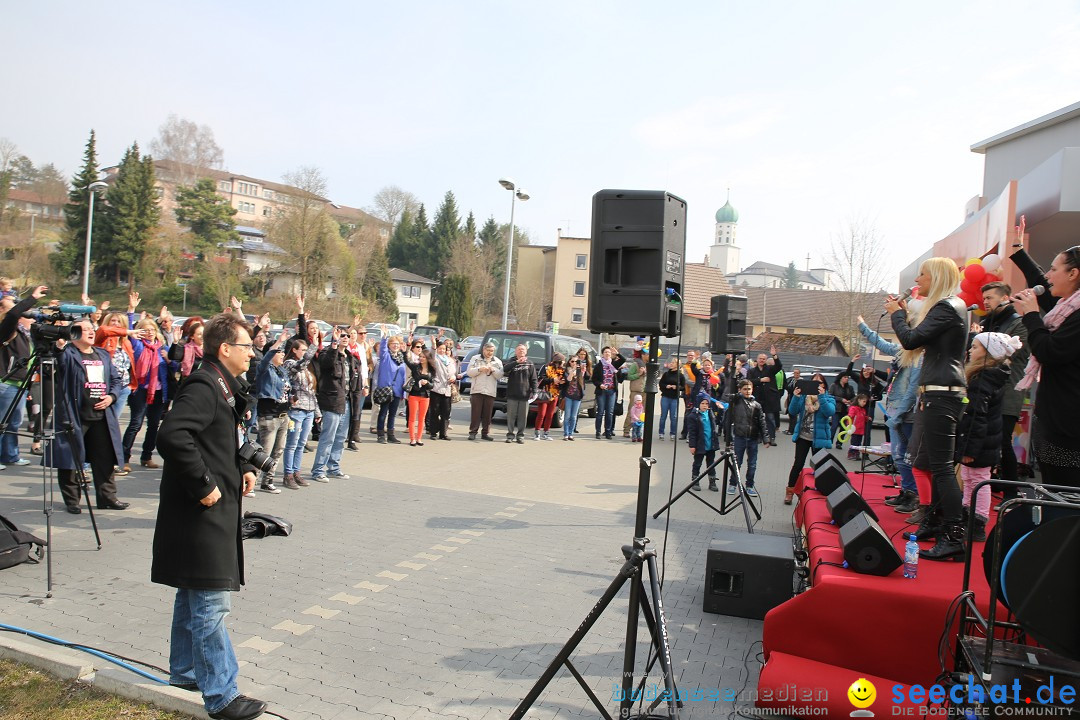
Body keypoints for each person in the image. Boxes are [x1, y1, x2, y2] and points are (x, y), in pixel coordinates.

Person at [152, 313, 267, 720]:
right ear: (225, 349)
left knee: (192, 593)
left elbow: (214, 438)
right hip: (201, 514)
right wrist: (205, 485)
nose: (253, 354)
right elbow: (173, 435)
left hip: (211, 514)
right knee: (210, 604)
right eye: (247, 347)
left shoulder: (222, 385)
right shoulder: (204, 385)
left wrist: (243, 468)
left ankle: (184, 671)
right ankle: (221, 695)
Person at [887, 256, 968, 561]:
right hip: (936, 392)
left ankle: (954, 533)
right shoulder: (951, 307)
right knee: (927, 462)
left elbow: (910, 341)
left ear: (936, 277)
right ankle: (934, 522)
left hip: (942, 393)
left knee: (942, 467)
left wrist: (897, 315)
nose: (917, 280)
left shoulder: (947, 307)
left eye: (922, 275)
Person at [1011, 245, 1080, 488]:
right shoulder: (1068, 307)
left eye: (1054, 269)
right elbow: (1043, 286)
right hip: (1054, 421)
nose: (1048, 276)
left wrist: (1031, 315)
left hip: (1068, 430)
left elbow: (1050, 351)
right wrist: (1019, 251)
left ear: (1073, 274)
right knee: (1052, 492)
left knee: (1065, 498)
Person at [54, 318, 131, 513]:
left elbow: (116, 379)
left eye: (91, 328)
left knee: (104, 458)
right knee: (71, 458)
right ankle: (72, 500)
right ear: (74, 333)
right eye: (85, 329)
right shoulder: (68, 353)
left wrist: (112, 397)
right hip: (75, 415)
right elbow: (60, 365)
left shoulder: (102, 354)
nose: (90, 331)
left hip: (101, 415)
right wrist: (60, 346)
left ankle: (107, 497)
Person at [855, 314, 922, 514]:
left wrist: (899, 414)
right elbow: (882, 344)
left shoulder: (919, 357)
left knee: (906, 455)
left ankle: (914, 495)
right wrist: (863, 326)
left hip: (906, 413)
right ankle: (906, 490)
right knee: (897, 455)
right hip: (894, 409)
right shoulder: (903, 353)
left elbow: (912, 390)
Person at [956, 332, 1019, 542]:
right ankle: (968, 517)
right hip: (983, 440)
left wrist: (969, 450)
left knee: (978, 480)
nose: (969, 351)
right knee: (970, 478)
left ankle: (978, 522)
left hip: (980, 442)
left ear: (988, 353)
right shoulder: (990, 376)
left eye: (974, 347)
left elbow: (977, 417)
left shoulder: (982, 380)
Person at [976, 281, 1030, 496]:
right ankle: (985, 487)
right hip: (986, 390)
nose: (985, 302)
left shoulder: (1020, 324)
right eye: (984, 298)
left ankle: (1011, 493)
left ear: (1005, 298)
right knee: (985, 440)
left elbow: (1012, 354)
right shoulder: (988, 323)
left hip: (1008, 392)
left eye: (990, 298)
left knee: (1002, 441)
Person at [0, 286, 47, 470]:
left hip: (20, 383)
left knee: (14, 422)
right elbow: (12, 315)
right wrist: (33, 297)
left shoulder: (24, 333)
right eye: (12, 305)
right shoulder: (6, 329)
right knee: (1, 422)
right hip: (6, 382)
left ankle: (10, 455)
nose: (18, 308)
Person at [122, 317, 170, 470]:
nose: (150, 333)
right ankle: (124, 458)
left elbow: (175, 366)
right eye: (146, 330)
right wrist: (131, 312)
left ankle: (146, 456)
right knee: (135, 424)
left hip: (158, 391)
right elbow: (128, 332)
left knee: (154, 425)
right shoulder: (137, 345)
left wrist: (169, 359)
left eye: (152, 330)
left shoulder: (162, 348)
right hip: (141, 390)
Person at [785, 379, 835, 505]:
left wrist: (822, 396)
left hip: (819, 439)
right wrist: (796, 397)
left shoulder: (828, 398)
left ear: (824, 385)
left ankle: (818, 495)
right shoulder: (803, 398)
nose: (816, 386)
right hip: (803, 437)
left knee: (820, 468)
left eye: (819, 383)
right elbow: (792, 411)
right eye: (813, 383)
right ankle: (790, 492)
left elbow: (829, 412)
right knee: (798, 465)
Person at [311, 328, 352, 480]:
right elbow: (327, 364)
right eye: (342, 336)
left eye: (347, 336)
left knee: (341, 438)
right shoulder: (327, 352)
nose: (345, 338)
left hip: (346, 401)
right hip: (331, 401)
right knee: (328, 438)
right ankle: (318, 470)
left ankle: (334, 467)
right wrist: (334, 345)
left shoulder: (349, 356)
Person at [253, 331, 291, 493]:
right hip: (269, 415)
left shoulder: (282, 371)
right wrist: (278, 342)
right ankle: (252, 481)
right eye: (279, 352)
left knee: (278, 450)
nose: (282, 354)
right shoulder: (264, 369)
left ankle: (267, 481)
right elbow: (266, 358)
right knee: (264, 451)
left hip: (283, 415)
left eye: (282, 351)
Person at [281, 337, 316, 490]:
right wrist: (314, 346)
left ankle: (296, 472)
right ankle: (287, 474)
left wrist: (317, 411)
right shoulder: (290, 364)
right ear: (294, 350)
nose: (305, 352)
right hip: (296, 411)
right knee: (292, 444)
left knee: (301, 443)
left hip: (309, 410)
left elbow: (311, 391)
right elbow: (299, 366)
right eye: (302, 349)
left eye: (305, 350)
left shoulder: (307, 369)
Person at [724, 378, 768, 497]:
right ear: (740, 390)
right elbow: (729, 398)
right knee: (737, 462)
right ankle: (733, 484)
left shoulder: (757, 405)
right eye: (745, 389)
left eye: (749, 389)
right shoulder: (737, 401)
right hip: (740, 437)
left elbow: (762, 422)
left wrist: (766, 438)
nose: (747, 391)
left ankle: (749, 485)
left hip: (753, 438)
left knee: (752, 463)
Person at [746, 346, 783, 445]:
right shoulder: (752, 371)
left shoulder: (770, 369)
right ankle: (758, 437)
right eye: (760, 359)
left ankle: (772, 437)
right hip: (757, 398)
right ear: (757, 360)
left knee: (770, 418)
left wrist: (774, 355)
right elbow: (749, 382)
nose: (761, 360)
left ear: (766, 360)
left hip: (769, 399)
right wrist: (760, 380)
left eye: (763, 359)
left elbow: (779, 366)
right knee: (756, 418)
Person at [466, 342, 502, 441]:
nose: (490, 353)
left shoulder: (497, 361)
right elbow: (469, 372)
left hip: (490, 391)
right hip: (477, 389)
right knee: (476, 413)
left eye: (492, 351)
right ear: (483, 350)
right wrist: (479, 369)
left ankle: (485, 433)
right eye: (488, 350)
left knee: (488, 414)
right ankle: (473, 432)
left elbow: (500, 375)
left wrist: (493, 370)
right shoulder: (476, 358)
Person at [374, 335, 406, 444]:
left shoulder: (401, 359)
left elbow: (403, 376)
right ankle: (380, 435)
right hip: (386, 390)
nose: (396, 346)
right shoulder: (386, 356)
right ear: (389, 345)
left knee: (392, 414)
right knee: (383, 413)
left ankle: (391, 435)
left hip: (397, 390)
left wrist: (403, 393)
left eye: (397, 344)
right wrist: (384, 338)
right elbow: (382, 349)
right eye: (393, 344)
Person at [686, 394, 721, 492]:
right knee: (697, 463)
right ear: (698, 404)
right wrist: (692, 446)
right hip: (700, 444)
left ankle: (712, 482)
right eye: (702, 403)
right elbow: (692, 433)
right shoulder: (693, 416)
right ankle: (695, 481)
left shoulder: (710, 413)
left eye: (707, 403)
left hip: (710, 444)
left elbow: (715, 426)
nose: (705, 405)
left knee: (711, 464)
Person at [503, 344, 537, 444]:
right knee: (511, 416)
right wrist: (516, 362)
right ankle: (510, 435)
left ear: (526, 352)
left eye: (523, 349)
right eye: (519, 349)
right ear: (515, 351)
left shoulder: (530, 363)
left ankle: (520, 436)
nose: (521, 351)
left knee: (523, 417)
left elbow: (534, 379)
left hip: (524, 395)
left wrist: (535, 391)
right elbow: (505, 370)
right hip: (512, 394)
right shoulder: (511, 361)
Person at [592, 346, 625, 439]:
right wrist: (599, 384)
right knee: (600, 412)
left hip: (611, 391)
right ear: (603, 354)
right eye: (606, 352)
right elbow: (594, 379)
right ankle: (598, 431)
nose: (607, 354)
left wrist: (617, 353)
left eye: (609, 352)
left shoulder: (613, 364)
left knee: (610, 412)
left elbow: (623, 359)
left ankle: (608, 432)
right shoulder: (599, 366)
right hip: (602, 391)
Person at [405, 348, 434, 446]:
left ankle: (419, 438)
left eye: (423, 357)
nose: (421, 359)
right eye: (420, 357)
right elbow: (406, 360)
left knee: (422, 418)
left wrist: (427, 383)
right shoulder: (415, 367)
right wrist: (406, 350)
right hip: (414, 395)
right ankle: (412, 439)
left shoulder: (431, 370)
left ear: (427, 358)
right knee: (412, 418)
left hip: (425, 396)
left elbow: (433, 385)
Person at [534, 353, 565, 441]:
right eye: (562, 361)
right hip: (545, 393)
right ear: (558, 361)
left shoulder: (561, 370)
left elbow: (563, 381)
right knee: (542, 414)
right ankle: (537, 433)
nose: (564, 363)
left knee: (550, 415)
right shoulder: (546, 367)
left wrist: (562, 382)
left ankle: (546, 433)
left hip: (555, 394)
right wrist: (552, 380)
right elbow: (540, 379)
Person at [657, 356, 684, 441]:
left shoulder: (680, 375)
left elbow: (683, 387)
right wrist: (666, 386)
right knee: (663, 416)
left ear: (677, 365)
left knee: (673, 417)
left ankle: (673, 434)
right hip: (665, 396)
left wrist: (676, 387)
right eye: (671, 362)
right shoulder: (666, 374)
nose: (671, 364)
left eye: (673, 363)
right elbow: (661, 384)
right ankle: (661, 433)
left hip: (674, 398)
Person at [561, 354, 587, 440]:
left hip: (578, 396)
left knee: (574, 416)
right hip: (569, 396)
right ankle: (565, 434)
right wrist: (573, 370)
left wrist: (582, 370)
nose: (574, 363)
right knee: (567, 416)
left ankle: (570, 433)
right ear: (569, 362)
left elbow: (586, 378)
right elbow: (568, 379)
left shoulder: (580, 371)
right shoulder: (567, 370)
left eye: (576, 361)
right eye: (572, 361)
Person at [622, 348, 646, 437]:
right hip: (636, 391)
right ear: (643, 355)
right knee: (632, 410)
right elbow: (629, 376)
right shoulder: (636, 364)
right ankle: (626, 430)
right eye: (647, 355)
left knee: (643, 412)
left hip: (645, 391)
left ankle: (639, 431)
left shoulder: (650, 364)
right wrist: (639, 374)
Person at [828, 374, 855, 450]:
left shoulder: (849, 387)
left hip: (846, 409)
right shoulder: (834, 386)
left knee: (844, 427)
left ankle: (839, 443)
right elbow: (830, 395)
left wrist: (850, 401)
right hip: (837, 409)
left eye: (847, 377)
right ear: (840, 378)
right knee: (834, 426)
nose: (846, 379)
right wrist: (841, 399)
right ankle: (829, 441)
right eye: (845, 377)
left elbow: (853, 396)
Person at [847, 393, 870, 460]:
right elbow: (850, 415)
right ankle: (851, 453)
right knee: (854, 442)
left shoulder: (862, 410)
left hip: (860, 429)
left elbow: (862, 417)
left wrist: (866, 418)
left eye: (865, 402)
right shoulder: (853, 408)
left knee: (858, 443)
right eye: (863, 401)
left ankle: (856, 454)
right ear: (859, 400)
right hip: (854, 429)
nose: (864, 403)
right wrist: (849, 421)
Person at [782, 368, 801, 435]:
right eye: (794, 373)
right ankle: (790, 429)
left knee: (793, 415)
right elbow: (787, 387)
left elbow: (796, 390)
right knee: (790, 414)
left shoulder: (800, 381)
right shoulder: (792, 380)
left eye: (797, 373)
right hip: (790, 398)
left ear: (799, 374)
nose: (796, 374)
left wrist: (791, 390)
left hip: (796, 399)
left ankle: (792, 430)